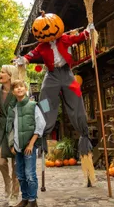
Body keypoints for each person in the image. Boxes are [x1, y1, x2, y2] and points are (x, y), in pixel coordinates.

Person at [16, 21, 96, 187]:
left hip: (66, 74)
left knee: (76, 101)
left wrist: (89, 30)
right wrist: (23, 59)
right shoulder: (41, 46)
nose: (46, 32)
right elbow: (30, 55)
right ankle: (45, 127)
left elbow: (80, 38)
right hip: (51, 76)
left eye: (48, 28)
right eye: (41, 30)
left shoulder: (65, 39)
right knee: (45, 100)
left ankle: (82, 130)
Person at [6, 80, 45, 207]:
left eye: (21, 86)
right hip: (17, 147)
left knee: (30, 175)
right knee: (21, 175)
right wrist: (12, 144)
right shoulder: (13, 108)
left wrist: (31, 143)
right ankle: (25, 199)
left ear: (25, 88)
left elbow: (41, 124)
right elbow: (10, 128)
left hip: (29, 146)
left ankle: (33, 203)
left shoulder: (33, 105)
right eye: (16, 88)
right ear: (13, 92)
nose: (19, 89)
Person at [0, 65, 19, 205]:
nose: (0, 73)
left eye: (2, 72)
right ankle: (7, 183)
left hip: (15, 129)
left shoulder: (17, 89)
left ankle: (15, 194)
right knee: (0, 161)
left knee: (16, 163)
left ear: (10, 75)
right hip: (1, 130)